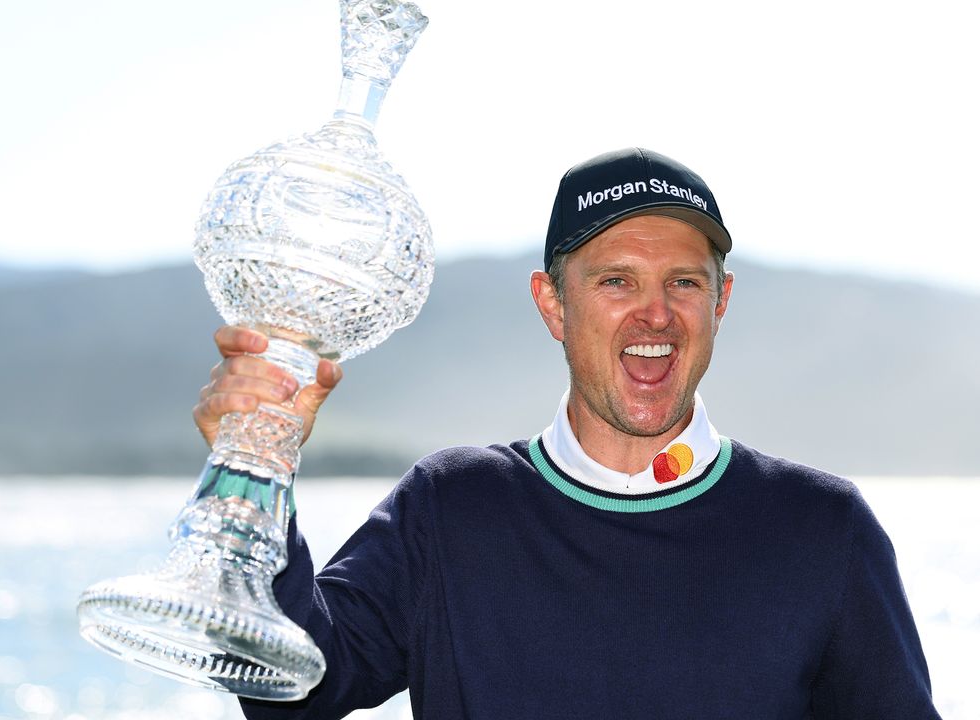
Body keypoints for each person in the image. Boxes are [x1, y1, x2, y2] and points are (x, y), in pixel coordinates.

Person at [196, 148, 942, 719]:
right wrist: (252, 465)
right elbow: (289, 688)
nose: (656, 313)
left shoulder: (821, 528)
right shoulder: (452, 508)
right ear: (552, 305)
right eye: (616, 281)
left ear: (721, 303)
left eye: (684, 282)